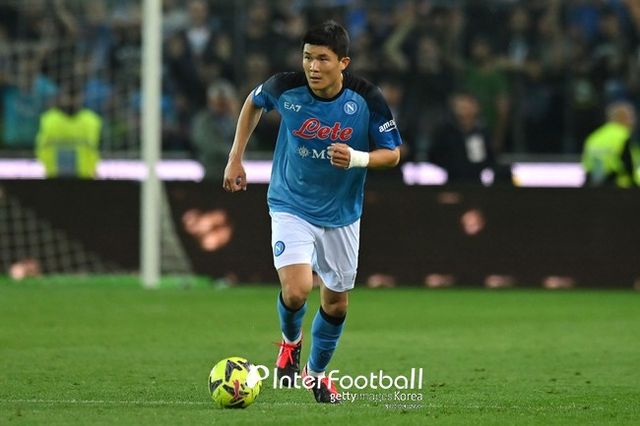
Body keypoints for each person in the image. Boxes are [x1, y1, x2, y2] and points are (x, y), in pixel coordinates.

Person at [223, 20, 402, 403]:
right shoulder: (284, 87)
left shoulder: (366, 98)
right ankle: (290, 343)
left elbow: (392, 154)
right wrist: (235, 157)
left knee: (335, 303)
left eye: (322, 59)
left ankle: (316, 375)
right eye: (307, 57)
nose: (313, 67)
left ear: (343, 63)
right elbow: (253, 102)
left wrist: (356, 157)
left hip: (342, 214)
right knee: (297, 290)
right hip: (291, 203)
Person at [428, 92, 496, 184]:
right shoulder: (445, 133)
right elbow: (434, 158)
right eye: (461, 107)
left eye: (468, 107)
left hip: (477, 184)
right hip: (450, 183)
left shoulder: (482, 133)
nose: (465, 111)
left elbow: (490, 160)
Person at [35, 87, 102, 178]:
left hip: (84, 177)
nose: (71, 101)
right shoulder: (48, 119)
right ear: (61, 97)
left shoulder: (92, 120)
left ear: (82, 97)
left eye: (75, 96)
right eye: (69, 96)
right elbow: (40, 150)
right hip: (53, 176)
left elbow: (98, 150)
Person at [582, 101, 637, 187]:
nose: (633, 121)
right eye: (631, 117)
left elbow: (587, 164)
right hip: (618, 186)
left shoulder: (594, 137)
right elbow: (628, 165)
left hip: (593, 185)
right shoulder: (623, 135)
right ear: (623, 117)